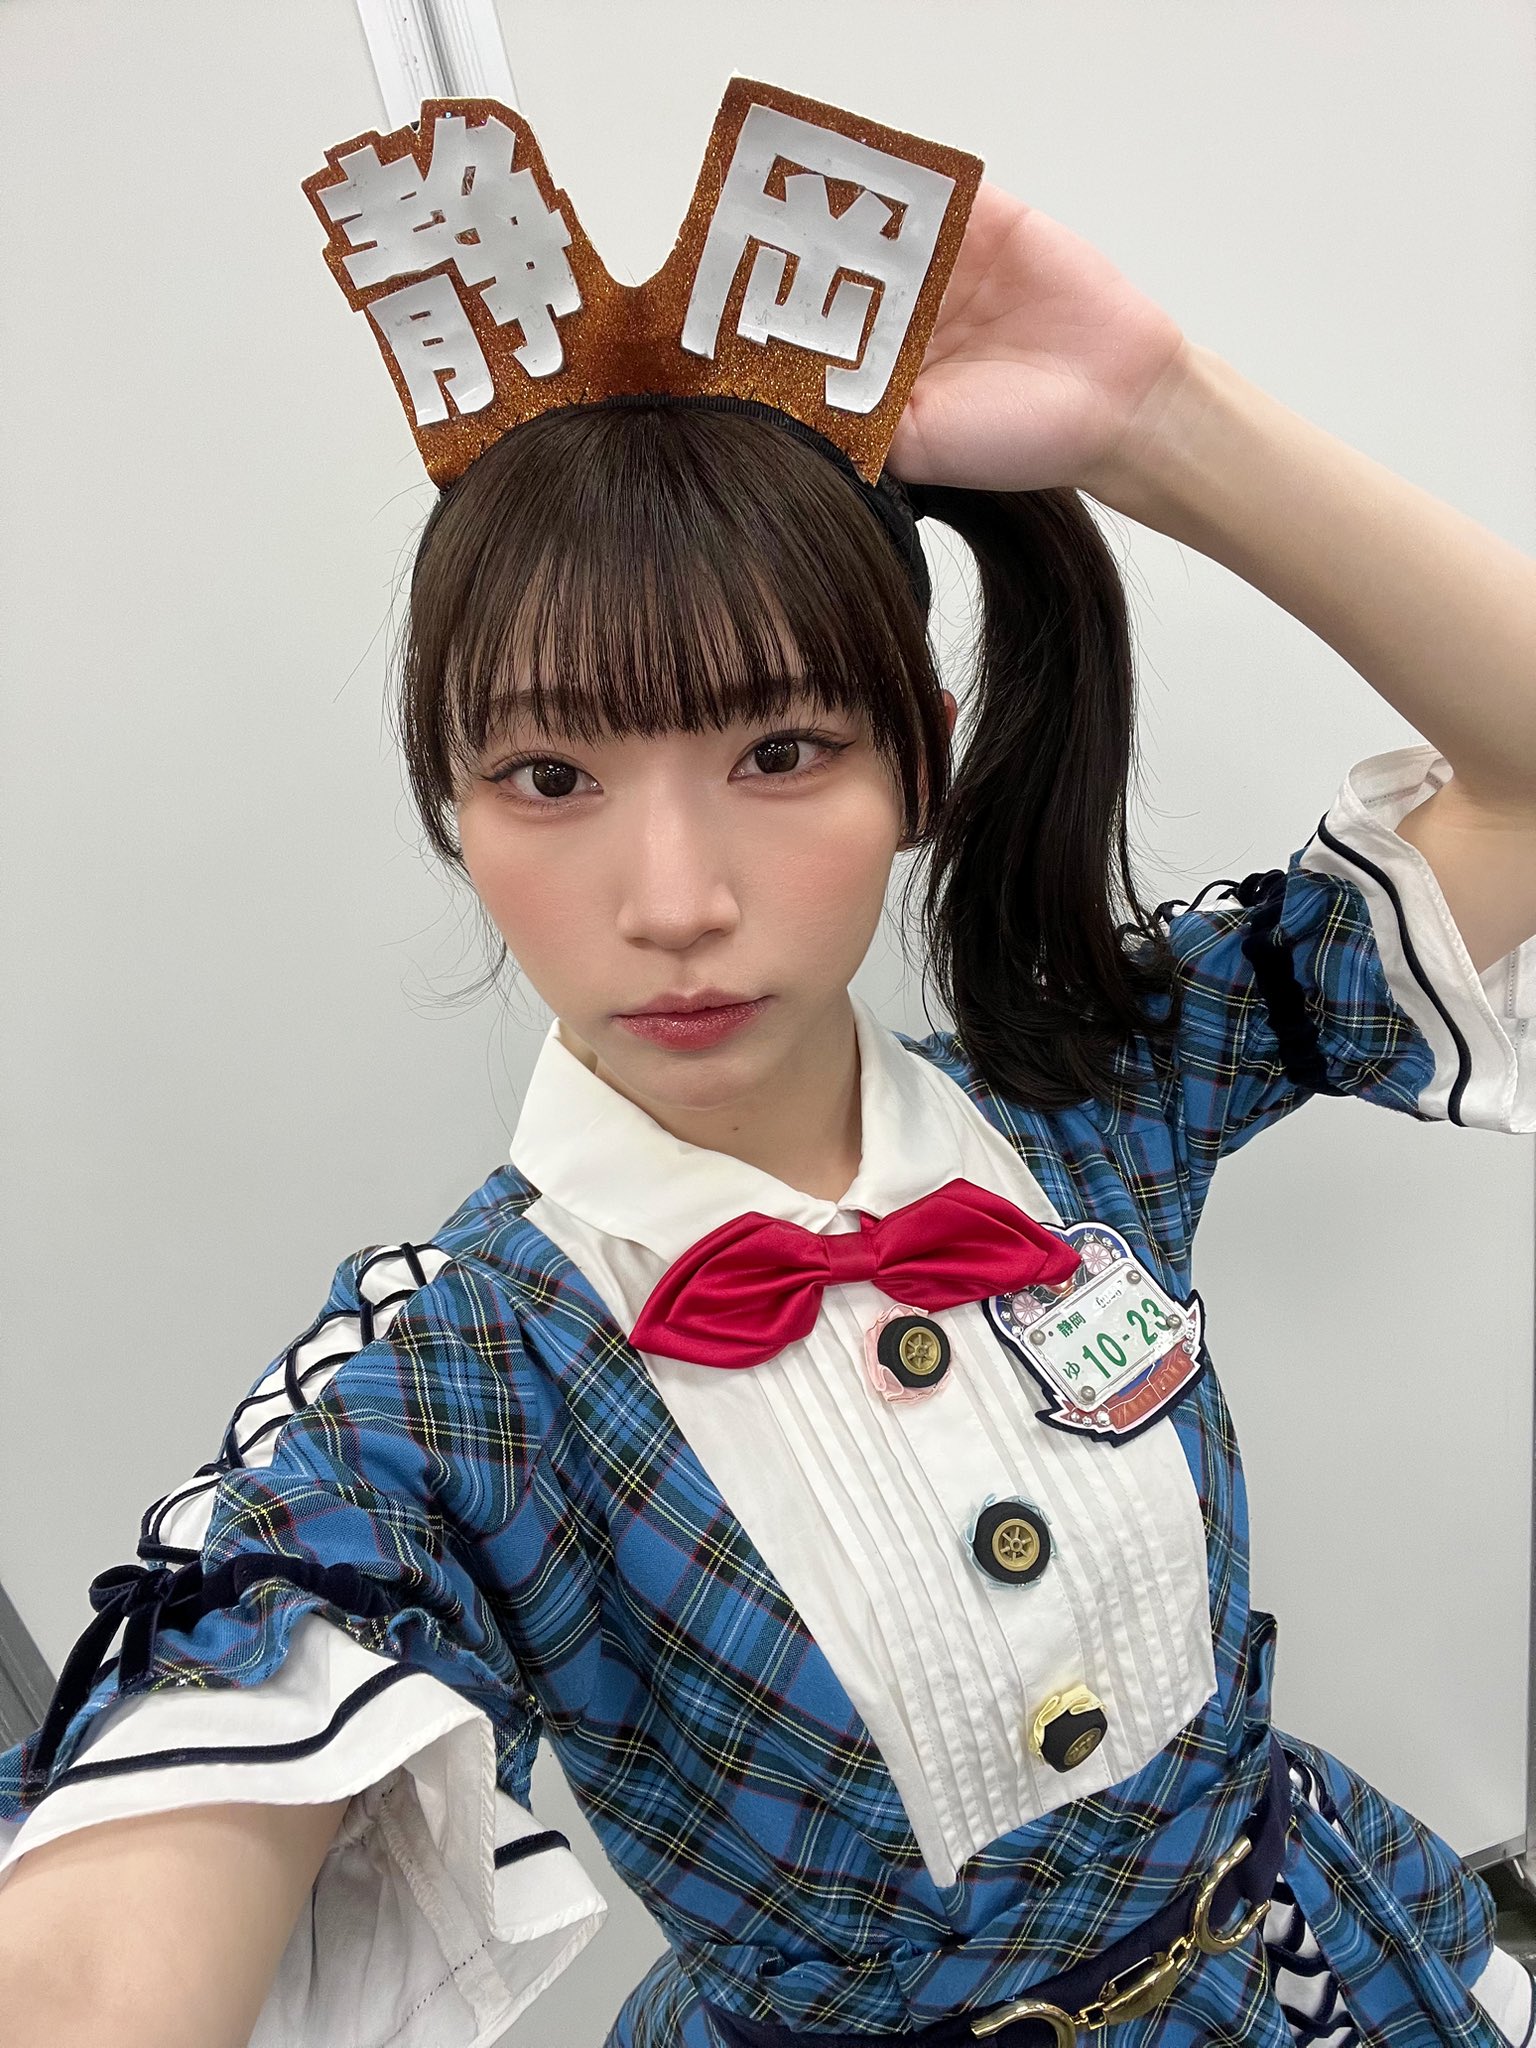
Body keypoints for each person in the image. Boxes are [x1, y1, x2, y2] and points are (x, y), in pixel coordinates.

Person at [2, 76, 1535, 2048]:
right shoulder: (459, 1384)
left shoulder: (1093, 1090)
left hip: (1334, 1968)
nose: (675, 899)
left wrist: (1158, 413)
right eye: (550, 776)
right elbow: (133, 1884)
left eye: (781, 751)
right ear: (452, 806)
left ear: (921, 764)